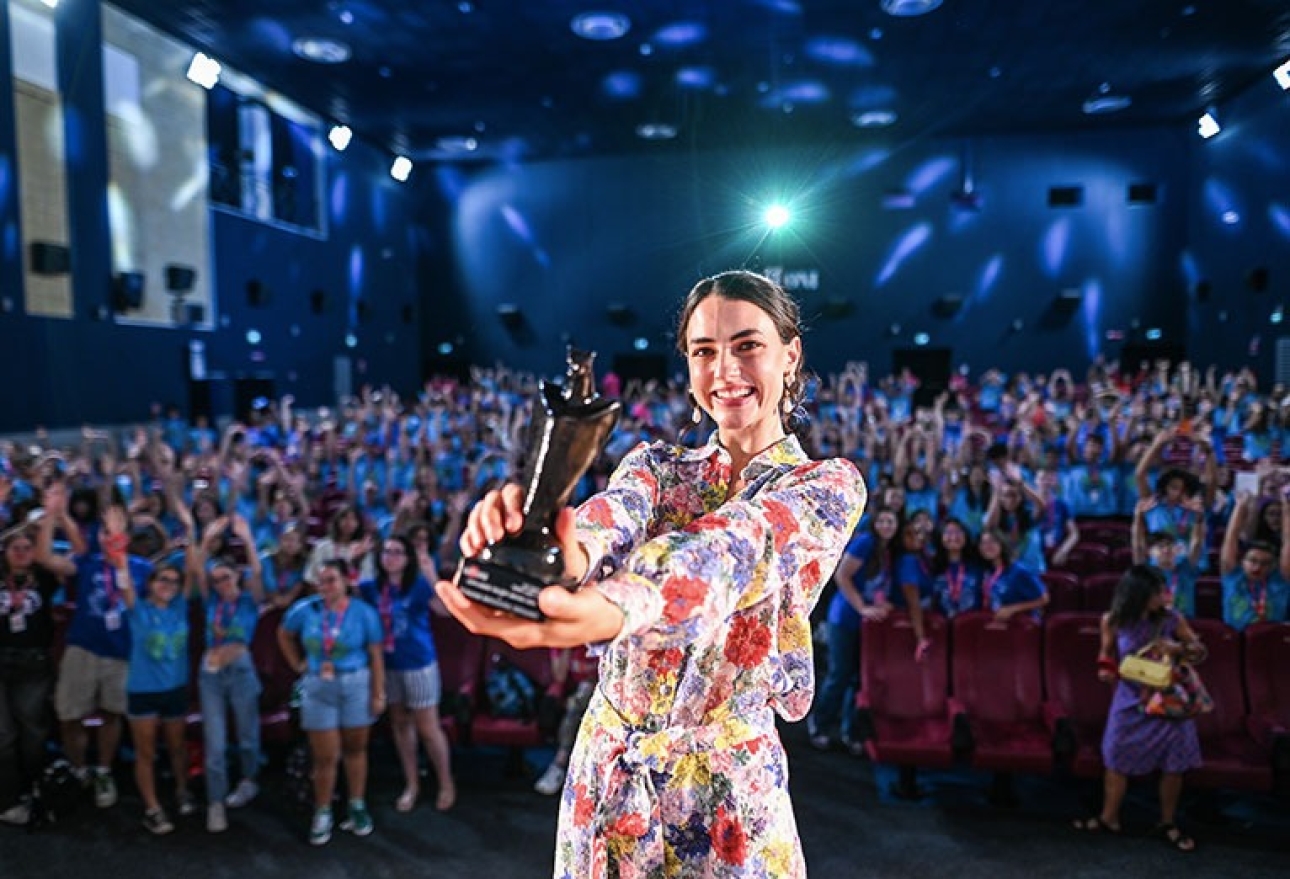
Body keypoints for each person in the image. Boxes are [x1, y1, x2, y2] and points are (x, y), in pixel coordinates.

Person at [437, 270, 865, 877]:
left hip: (727, 792)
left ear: (790, 355)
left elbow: (733, 547)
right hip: (610, 774)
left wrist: (619, 605)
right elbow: (607, 520)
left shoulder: (825, 486)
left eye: (748, 346)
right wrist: (543, 551)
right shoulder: (656, 466)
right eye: (704, 351)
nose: (725, 370)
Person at [1074, 564, 1204, 852]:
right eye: (1158, 591)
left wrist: (1178, 649)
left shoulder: (1172, 619)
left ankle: (1167, 821)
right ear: (1139, 593)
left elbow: (1199, 652)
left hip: (1169, 699)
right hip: (1130, 698)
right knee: (1116, 756)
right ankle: (1109, 817)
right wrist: (1105, 671)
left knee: (1174, 763)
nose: (1164, 595)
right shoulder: (1113, 620)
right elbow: (1106, 655)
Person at [35, 485, 146, 809]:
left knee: (112, 715)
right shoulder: (87, 562)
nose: (107, 536)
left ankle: (103, 770)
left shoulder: (140, 568)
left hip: (119, 651)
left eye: (115, 531)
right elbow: (43, 557)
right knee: (69, 716)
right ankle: (79, 769)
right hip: (82, 648)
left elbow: (132, 603)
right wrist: (52, 516)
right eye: (103, 532)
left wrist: (120, 553)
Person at [278, 558, 385, 846]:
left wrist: (378, 693)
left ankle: (356, 805)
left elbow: (376, 655)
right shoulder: (306, 609)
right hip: (318, 686)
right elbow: (284, 633)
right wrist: (297, 664)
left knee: (355, 749)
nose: (325, 587)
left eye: (331, 580)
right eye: (321, 581)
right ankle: (322, 811)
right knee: (325, 756)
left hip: (355, 683)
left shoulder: (364, 613)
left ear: (346, 581)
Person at [357, 534, 455, 813]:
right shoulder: (372, 588)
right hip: (387, 666)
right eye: (386, 551)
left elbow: (446, 610)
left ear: (408, 558)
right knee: (400, 725)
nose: (390, 557)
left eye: (398, 552)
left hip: (419, 664)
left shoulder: (419, 585)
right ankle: (412, 783)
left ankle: (446, 782)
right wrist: (353, 558)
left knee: (428, 728)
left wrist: (431, 572)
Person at [193, 515, 266, 833]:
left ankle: (249, 780)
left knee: (248, 736)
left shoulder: (250, 601)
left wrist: (247, 539)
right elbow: (196, 569)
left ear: (237, 576)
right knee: (215, 742)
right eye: (217, 580)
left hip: (241, 670)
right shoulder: (210, 601)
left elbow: (259, 573)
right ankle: (216, 801)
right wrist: (207, 538)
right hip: (211, 673)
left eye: (226, 578)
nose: (221, 584)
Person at [807, 506, 899, 753]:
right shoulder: (866, 542)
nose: (888, 526)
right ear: (875, 522)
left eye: (893, 521)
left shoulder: (887, 549)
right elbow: (842, 576)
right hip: (845, 618)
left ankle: (849, 731)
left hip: (866, 624)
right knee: (840, 674)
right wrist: (862, 607)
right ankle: (819, 723)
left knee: (858, 678)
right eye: (884, 520)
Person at [117, 550, 195, 835]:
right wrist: (118, 546)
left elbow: (195, 568)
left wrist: (195, 534)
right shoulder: (138, 609)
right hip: (143, 690)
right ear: (151, 582)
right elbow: (123, 583)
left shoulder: (180, 607)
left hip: (175, 689)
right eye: (163, 580)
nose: (169, 586)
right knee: (146, 753)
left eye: (174, 582)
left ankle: (182, 790)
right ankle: (152, 808)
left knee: (177, 747)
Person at [0, 527, 61, 826]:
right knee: (3, 735)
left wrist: (52, 518)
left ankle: (34, 791)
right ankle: (8, 799)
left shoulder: (44, 578)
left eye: (27, 547)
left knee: (33, 732)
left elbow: (55, 559)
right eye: (15, 548)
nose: (22, 552)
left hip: (33, 663)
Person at [533, 644, 598, 795]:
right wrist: (569, 645)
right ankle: (561, 765)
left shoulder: (601, 640)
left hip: (600, 693)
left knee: (585, 695)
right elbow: (560, 677)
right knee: (576, 706)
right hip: (572, 696)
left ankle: (560, 764)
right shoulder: (562, 643)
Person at [1219, 493, 1290, 629]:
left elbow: (1288, 541)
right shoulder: (1233, 577)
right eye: (1252, 561)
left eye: (1264, 563)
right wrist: (1240, 506)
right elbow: (1231, 537)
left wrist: (1286, 510)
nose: (1257, 567)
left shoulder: (1279, 582)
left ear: (1273, 565)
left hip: (1270, 643)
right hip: (1233, 643)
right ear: (1242, 561)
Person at [976, 528, 1049, 621]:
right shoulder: (987, 571)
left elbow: (1044, 599)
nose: (988, 546)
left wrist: (1012, 609)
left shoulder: (1019, 571)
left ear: (1002, 544)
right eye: (983, 543)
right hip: (996, 623)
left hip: (1020, 625)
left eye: (992, 541)